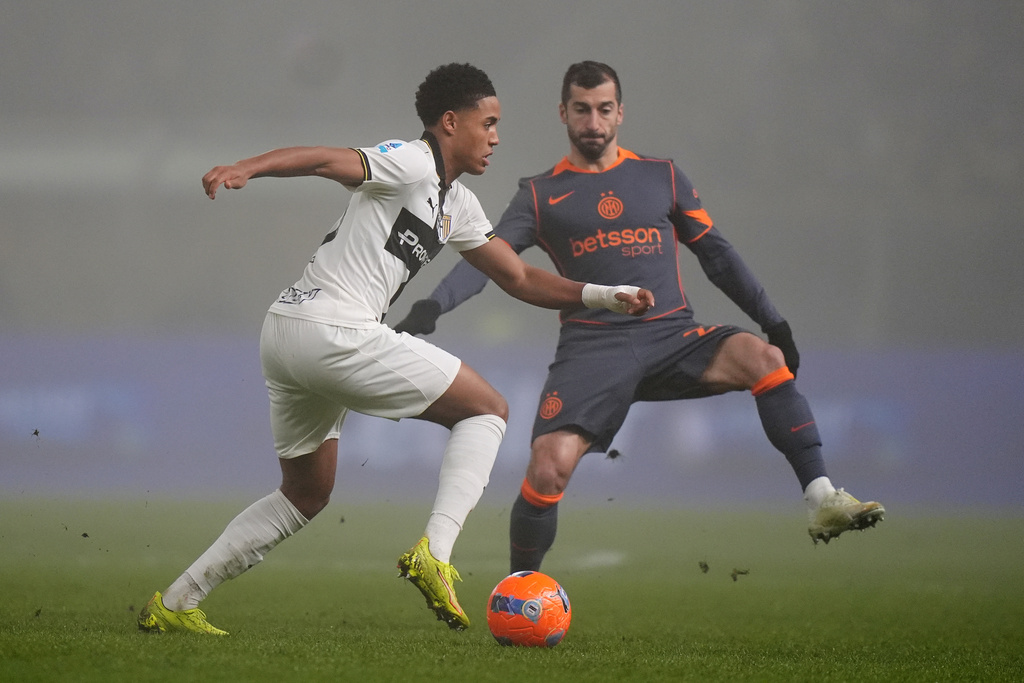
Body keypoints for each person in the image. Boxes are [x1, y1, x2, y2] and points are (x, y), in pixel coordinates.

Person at [136, 62, 653, 636]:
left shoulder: (458, 205)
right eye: (488, 123)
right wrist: (247, 168)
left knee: (305, 493)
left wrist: (602, 295)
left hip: (288, 331)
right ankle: (436, 553)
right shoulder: (411, 161)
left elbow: (519, 277)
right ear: (450, 123)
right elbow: (326, 159)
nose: (495, 137)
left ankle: (177, 602)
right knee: (488, 410)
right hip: (333, 329)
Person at [394, 61, 884, 575]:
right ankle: (521, 586)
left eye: (604, 109)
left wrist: (774, 322)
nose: (593, 122)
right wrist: (434, 305)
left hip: (673, 335)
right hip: (593, 348)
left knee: (762, 357)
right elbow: (490, 261)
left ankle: (821, 497)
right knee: (547, 468)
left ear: (620, 113)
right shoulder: (539, 195)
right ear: (563, 113)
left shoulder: (661, 176)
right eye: (582, 110)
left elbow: (716, 254)